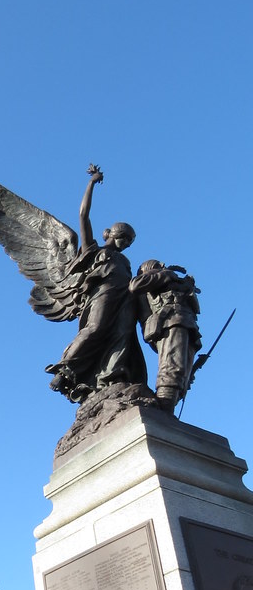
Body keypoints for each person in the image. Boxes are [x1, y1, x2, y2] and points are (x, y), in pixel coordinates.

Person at [46, 167, 146, 401]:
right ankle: (64, 369)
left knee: (124, 335)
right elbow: (83, 215)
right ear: (112, 234)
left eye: (130, 241)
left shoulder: (125, 260)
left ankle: (113, 377)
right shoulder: (94, 250)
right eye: (125, 238)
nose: (128, 244)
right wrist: (92, 183)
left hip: (125, 300)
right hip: (103, 295)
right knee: (96, 328)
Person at [128, 260, 201, 411]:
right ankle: (164, 410)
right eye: (158, 266)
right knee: (173, 366)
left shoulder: (174, 281)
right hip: (171, 322)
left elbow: (195, 307)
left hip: (188, 325)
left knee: (184, 374)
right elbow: (135, 285)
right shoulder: (158, 277)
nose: (163, 265)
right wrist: (166, 273)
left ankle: (166, 410)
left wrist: (187, 285)